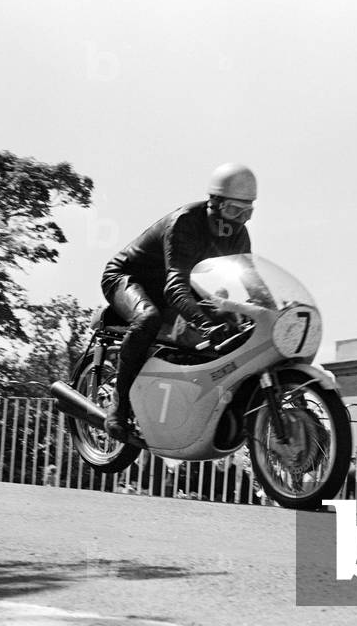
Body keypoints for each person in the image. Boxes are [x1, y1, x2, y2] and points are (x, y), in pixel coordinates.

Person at [100, 164, 258, 440]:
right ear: (215, 203)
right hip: (129, 278)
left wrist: (269, 313)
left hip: (176, 285)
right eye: (234, 211)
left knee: (233, 327)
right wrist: (204, 323)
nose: (239, 221)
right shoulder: (185, 222)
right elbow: (175, 288)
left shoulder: (239, 235)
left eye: (247, 212)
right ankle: (118, 405)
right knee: (148, 319)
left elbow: (252, 284)